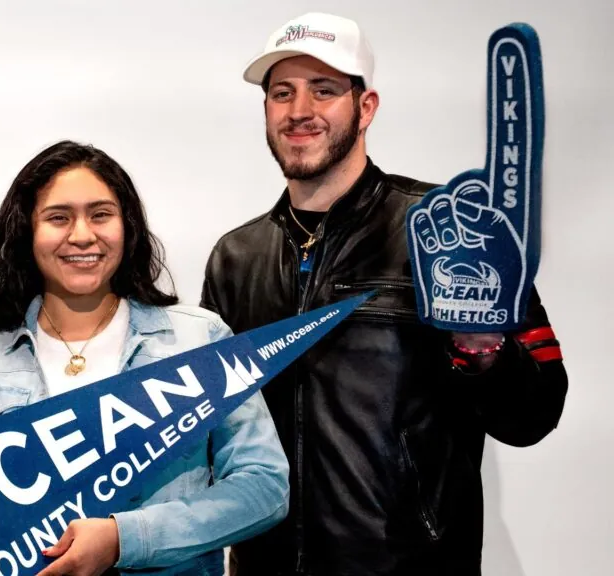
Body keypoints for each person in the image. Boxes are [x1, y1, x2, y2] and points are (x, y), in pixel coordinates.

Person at [199, 12, 570, 576]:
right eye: (282, 93)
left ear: (365, 106)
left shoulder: (452, 235)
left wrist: (482, 348)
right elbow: (212, 426)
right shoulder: (235, 256)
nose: (299, 111)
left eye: (323, 90)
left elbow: (535, 415)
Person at [0, 140, 290, 576]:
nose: (82, 234)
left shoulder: (200, 340)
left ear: (127, 226)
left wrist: (124, 538)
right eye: (58, 217)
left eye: (101, 214)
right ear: (27, 232)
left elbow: (264, 486)